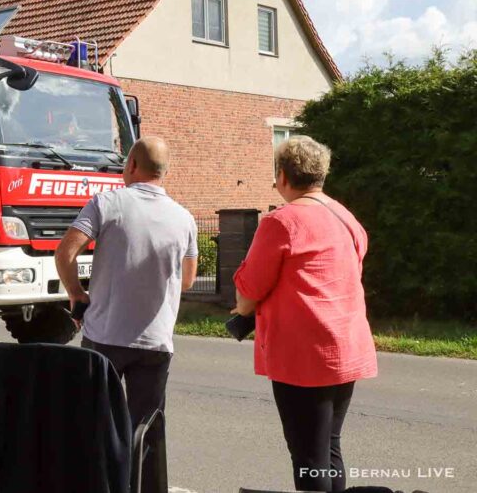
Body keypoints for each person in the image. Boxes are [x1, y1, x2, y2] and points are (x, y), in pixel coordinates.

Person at [232, 136, 377, 493]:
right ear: (322, 174)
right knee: (328, 446)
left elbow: (249, 292)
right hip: (345, 346)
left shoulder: (280, 222)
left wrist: (243, 310)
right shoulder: (346, 217)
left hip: (303, 355)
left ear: (283, 176)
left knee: (308, 459)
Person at [55, 137, 198, 489]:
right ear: (165, 172)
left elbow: (66, 252)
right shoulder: (184, 218)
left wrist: (76, 293)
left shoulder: (107, 203)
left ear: (131, 165)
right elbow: (188, 280)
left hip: (104, 337)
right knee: (146, 429)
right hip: (155, 343)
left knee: (95, 423)